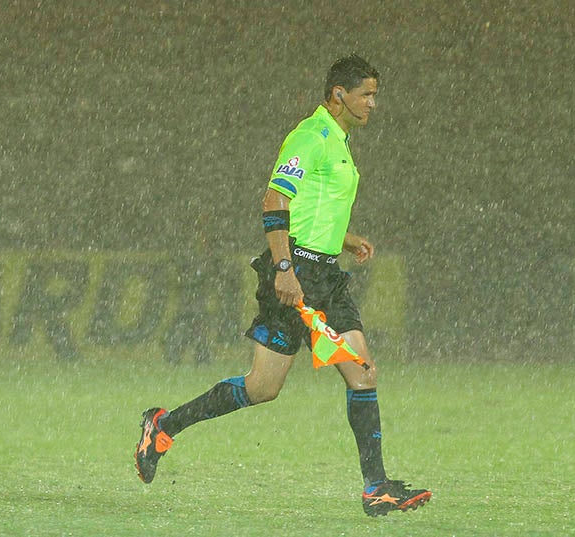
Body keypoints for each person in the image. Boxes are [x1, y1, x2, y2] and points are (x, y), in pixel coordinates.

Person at [134, 55, 431, 517]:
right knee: (263, 387)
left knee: (360, 372)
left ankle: (377, 488)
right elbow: (275, 198)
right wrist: (284, 267)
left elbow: (314, 204)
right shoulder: (310, 137)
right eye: (367, 94)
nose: (374, 102)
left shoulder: (340, 140)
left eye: (375, 93)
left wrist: (344, 239)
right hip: (297, 275)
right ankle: (165, 425)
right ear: (339, 95)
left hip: (326, 277)